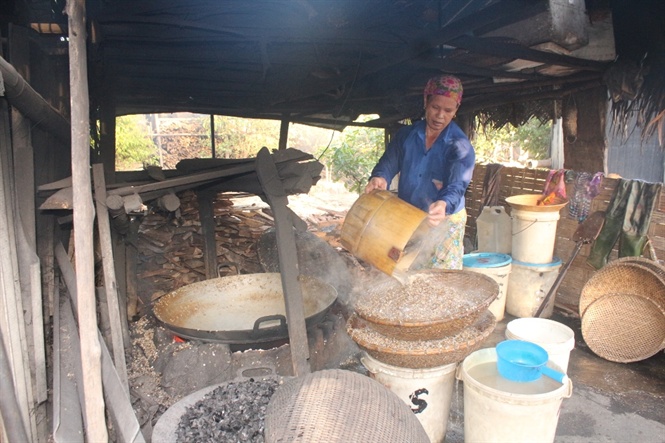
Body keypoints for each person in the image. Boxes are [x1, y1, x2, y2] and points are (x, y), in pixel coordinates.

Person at [364, 74, 475, 269]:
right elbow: (389, 162)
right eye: (435, 107)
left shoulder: (460, 146)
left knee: (441, 278)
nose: (440, 115)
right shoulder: (406, 135)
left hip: (445, 219)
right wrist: (380, 177)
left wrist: (443, 204)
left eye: (448, 110)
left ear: (456, 109)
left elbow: (456, 185)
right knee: (407, 269)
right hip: (410, 214)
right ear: (426, 101)